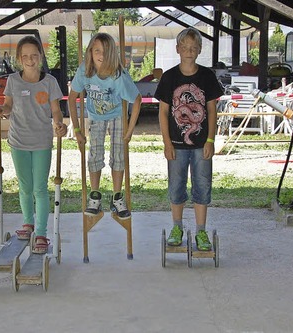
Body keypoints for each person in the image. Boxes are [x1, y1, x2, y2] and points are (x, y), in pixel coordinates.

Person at [0, 36, 67, 254]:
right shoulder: (13, 80)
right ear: (19, 59)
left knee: (39, 188)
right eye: (25, 56)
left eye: (34, 55)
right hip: (18, 141)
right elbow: (7, 106)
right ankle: (28, 223)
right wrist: (0, 111)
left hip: (42, 141)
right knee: (25, 187)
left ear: (41, 56)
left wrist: (59, 124)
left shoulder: (49, 81)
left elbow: (55, 110)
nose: (30, 60)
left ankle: (41, 233)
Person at [154, 27, 223, 251]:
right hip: (176, 145)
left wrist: (211, 140)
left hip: (201, 144)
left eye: (193, 48)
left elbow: (212, 111)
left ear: (200, 50)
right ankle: (177, 227)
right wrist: (166, 143)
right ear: (178, 49)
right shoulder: (170, 77)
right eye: (185, 47)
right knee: (176, 186)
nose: (189, 51)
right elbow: (163, 112)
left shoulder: (207, 76)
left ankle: (201, 232)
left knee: (202, 186)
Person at [67, 33, 142, 219]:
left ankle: (117, 197)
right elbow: (71, 98)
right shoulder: (85, 71)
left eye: (105, 51)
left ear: (112, 53)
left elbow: (137, 99)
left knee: (118, 154)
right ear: (90, 52)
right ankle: (95, 196)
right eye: (97, 50)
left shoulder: (118, 75)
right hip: (95, 116)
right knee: (95, 154)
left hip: (117, 115)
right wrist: (77, 130)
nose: (101, 54)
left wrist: (130, 130)